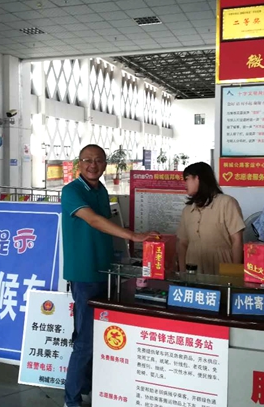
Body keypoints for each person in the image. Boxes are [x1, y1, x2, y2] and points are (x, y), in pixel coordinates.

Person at [62, 144, 157, 407]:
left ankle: (88, 387)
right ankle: (71, 400)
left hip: (106, 272)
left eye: (98, 160)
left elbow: (106, 226)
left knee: (99, 337)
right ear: (79, 163)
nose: (93, 165)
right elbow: (94, 220)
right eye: (87, 160)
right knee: (84, 341)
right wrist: (133, 236)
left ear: (105, 164)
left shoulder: (101, 191)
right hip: (84, 274)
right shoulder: (71, 191)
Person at [177, 162, 245, 273]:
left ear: (197, 178)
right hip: (193, 272)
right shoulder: (187, 210)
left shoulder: (227, 203)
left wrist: (234, 274)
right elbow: (182, 244)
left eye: (186, 179)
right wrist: (182, 273)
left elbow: (237, 240)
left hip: (222, 270)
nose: (184, 184)